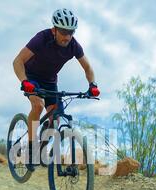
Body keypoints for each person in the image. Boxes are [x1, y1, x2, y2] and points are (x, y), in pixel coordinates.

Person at [13, 8, 100, 171]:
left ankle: (41, 149)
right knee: (38, 105)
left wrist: (92, 85)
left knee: (56, 119)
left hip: (50, 81)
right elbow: (17, 61)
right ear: (54, 30)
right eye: (63, 31)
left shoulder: (73, 45)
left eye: (71, 32)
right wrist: (24, 81)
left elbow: (88, 67)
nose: (67, 36)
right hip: (31, 78)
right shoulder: (41, 39)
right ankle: (31, 149)